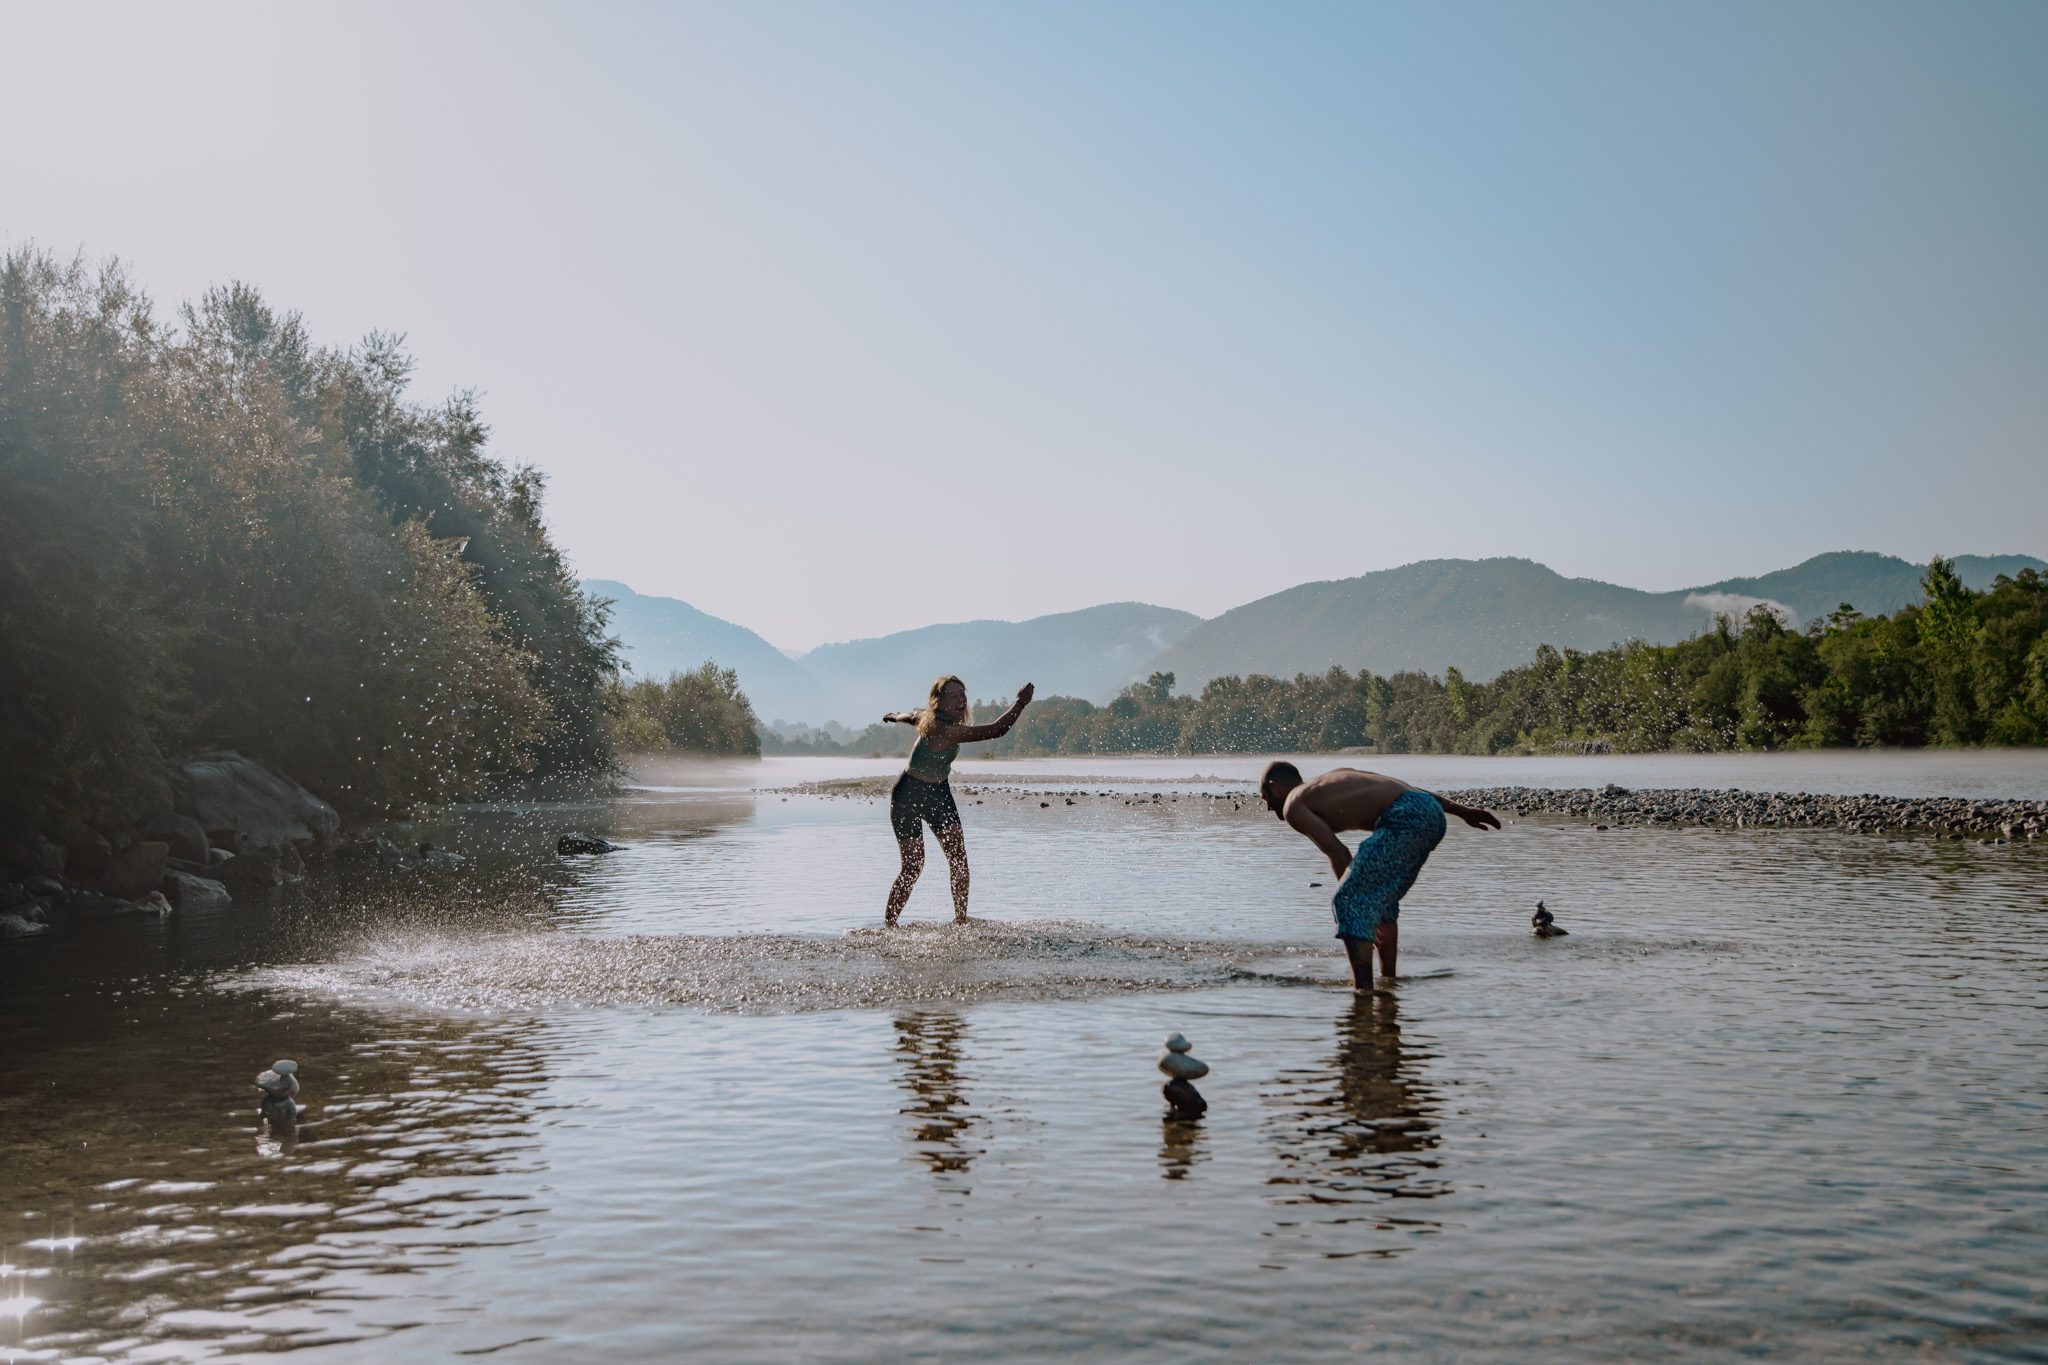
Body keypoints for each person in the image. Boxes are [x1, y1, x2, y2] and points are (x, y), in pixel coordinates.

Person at [1259, 761, 1499, 990]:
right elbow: (1410, 790)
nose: (1268, 806)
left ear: (1274, 786)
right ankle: (1388, 983)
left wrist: (1352, 899)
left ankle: (1363, 990)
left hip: (1406, 817)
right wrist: (1461, 811)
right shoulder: (1334, 778)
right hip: (1430, 811)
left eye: (1265, 798)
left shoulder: (1293, 804)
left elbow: (1338, 853)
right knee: (1381, 902)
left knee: (1348, 900)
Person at [880, 676, 1034, 925]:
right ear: (939, 703)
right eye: (953, 696)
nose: (961, 700)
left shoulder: (928, 719)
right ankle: (889, 924)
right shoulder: (944, 729)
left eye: (963, 693)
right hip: (908, 794)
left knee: (958, 859)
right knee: (913, 866)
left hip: (938, 793)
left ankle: (960, 921)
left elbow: (910, 716)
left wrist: (893, 716)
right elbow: (996, 730)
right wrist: (1020, 703)